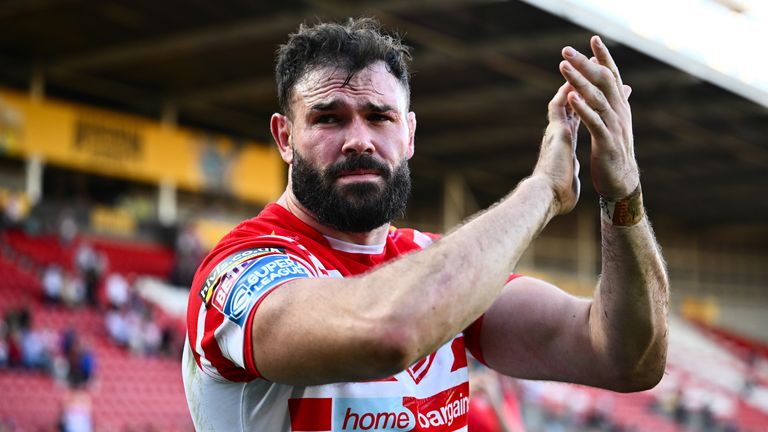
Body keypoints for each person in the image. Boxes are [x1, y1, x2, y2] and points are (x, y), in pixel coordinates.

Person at [182, 18, 669, 431]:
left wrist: (622, 194)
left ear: (410, 134)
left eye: (379, 117)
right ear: (285, 137)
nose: (359, 140)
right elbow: (389, 333)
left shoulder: (434, 265)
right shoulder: (240, 269)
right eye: (329, 119)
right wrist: (543, 190)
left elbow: (627, 358)